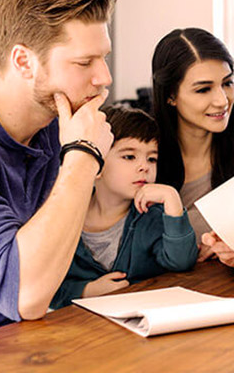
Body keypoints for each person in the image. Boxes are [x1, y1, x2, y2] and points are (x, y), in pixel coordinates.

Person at [0, 0, 115, 338]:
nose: (104, 77)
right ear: (23, 61)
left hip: (21, 341)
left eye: (104, 59)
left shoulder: (55, 126)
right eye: (84, 63)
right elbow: (22, 295)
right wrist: (83, 155)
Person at [50, 106, 197, 309]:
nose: (144, 166)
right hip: (79, 329)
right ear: (96, 164)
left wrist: (172, 199)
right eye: (129, 157)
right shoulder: (63, 216)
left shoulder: (152, 215)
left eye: (152, 159)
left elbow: (181, 261)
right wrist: (86, 291)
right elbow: (46, 286)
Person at [151, 28, 234, 267]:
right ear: (171, 95)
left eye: (227, 83)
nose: (222, 100)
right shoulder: (139, 165)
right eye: (203, 89)